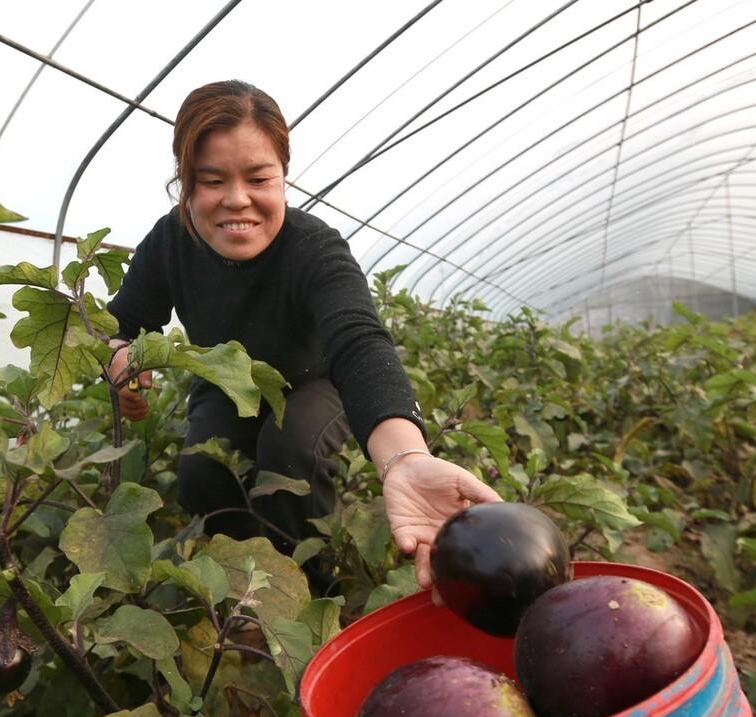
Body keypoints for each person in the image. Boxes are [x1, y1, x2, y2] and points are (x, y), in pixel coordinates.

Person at [106, 80, 499, 598]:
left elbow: (359, 341)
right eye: (211, 180)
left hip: (314, 380)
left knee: (291, 454)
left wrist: (406, 458)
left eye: (259, 178)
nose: (236, 199)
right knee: (202, 473)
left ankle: (314, 600)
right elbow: (121, 323)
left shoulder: (313, 247)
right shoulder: (169, 241)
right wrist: (120, 361)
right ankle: (241, 600)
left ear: (284, 178)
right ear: (185, 182)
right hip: (229, 383)